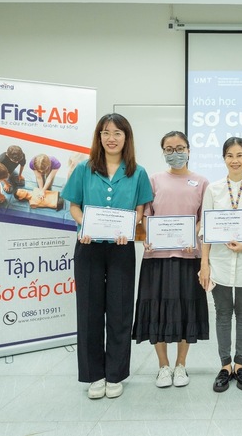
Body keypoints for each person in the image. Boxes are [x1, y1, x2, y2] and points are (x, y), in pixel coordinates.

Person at [61, 113, 153, 400]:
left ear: (126, 138)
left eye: (117, 133)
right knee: (89, 312)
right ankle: (94, 375)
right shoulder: (84, 169)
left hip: (121, 248)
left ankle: (115, 374)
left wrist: (131, 228)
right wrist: (84, 225)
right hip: (88, 246)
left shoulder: (138, 172)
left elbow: (140, 210)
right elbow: (74, 205)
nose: (111, 138)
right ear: (99, 137)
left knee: (120, 310)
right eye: (106, 133)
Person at [132, 131, 210, 389]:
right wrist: (148, 235)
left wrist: (193, 235)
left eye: (180, 148)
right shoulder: (153, 180)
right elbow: (146, 215)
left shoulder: (201, 182)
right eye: (169, 149)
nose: (175, 153)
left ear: (188, 150)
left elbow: (203, 219)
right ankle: (163, 366)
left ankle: (181, 365)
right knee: (157, 310)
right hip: (157, 256)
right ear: (163, 152)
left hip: (188, 256)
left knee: (186, 310)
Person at [200, 137, 242, 392]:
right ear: (224, 159)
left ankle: (240, 365)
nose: (235, 160)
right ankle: (225, 366)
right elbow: (205, 229)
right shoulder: (213, 189)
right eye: (229, 155)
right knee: (222, 314)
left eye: (239, 155)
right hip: (218, 263)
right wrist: (204, 264)